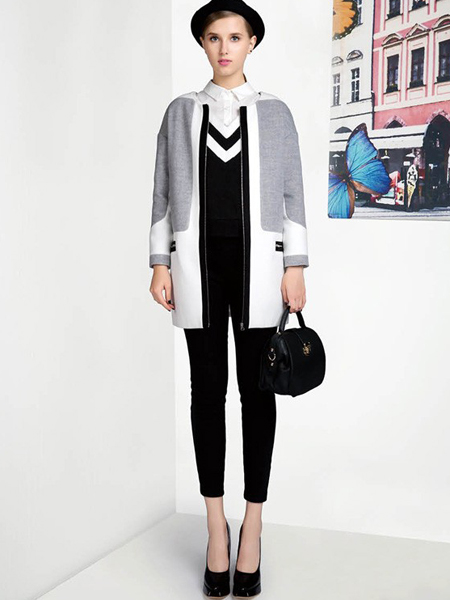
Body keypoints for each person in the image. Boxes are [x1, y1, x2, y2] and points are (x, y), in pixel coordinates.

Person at [149, 0, 309, 596]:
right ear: (203, 44)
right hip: (197, 269)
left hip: (260, 270)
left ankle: (253, 526)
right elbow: (162, 192)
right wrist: (159, 262)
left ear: (251, 43)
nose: (224, 48)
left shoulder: (275, 113)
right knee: (206, 392)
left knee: (257, 392)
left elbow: (292, 192)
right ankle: (216, 525)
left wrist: (295, 266)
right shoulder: (180, 112)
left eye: (234, 37)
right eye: (214, 37)